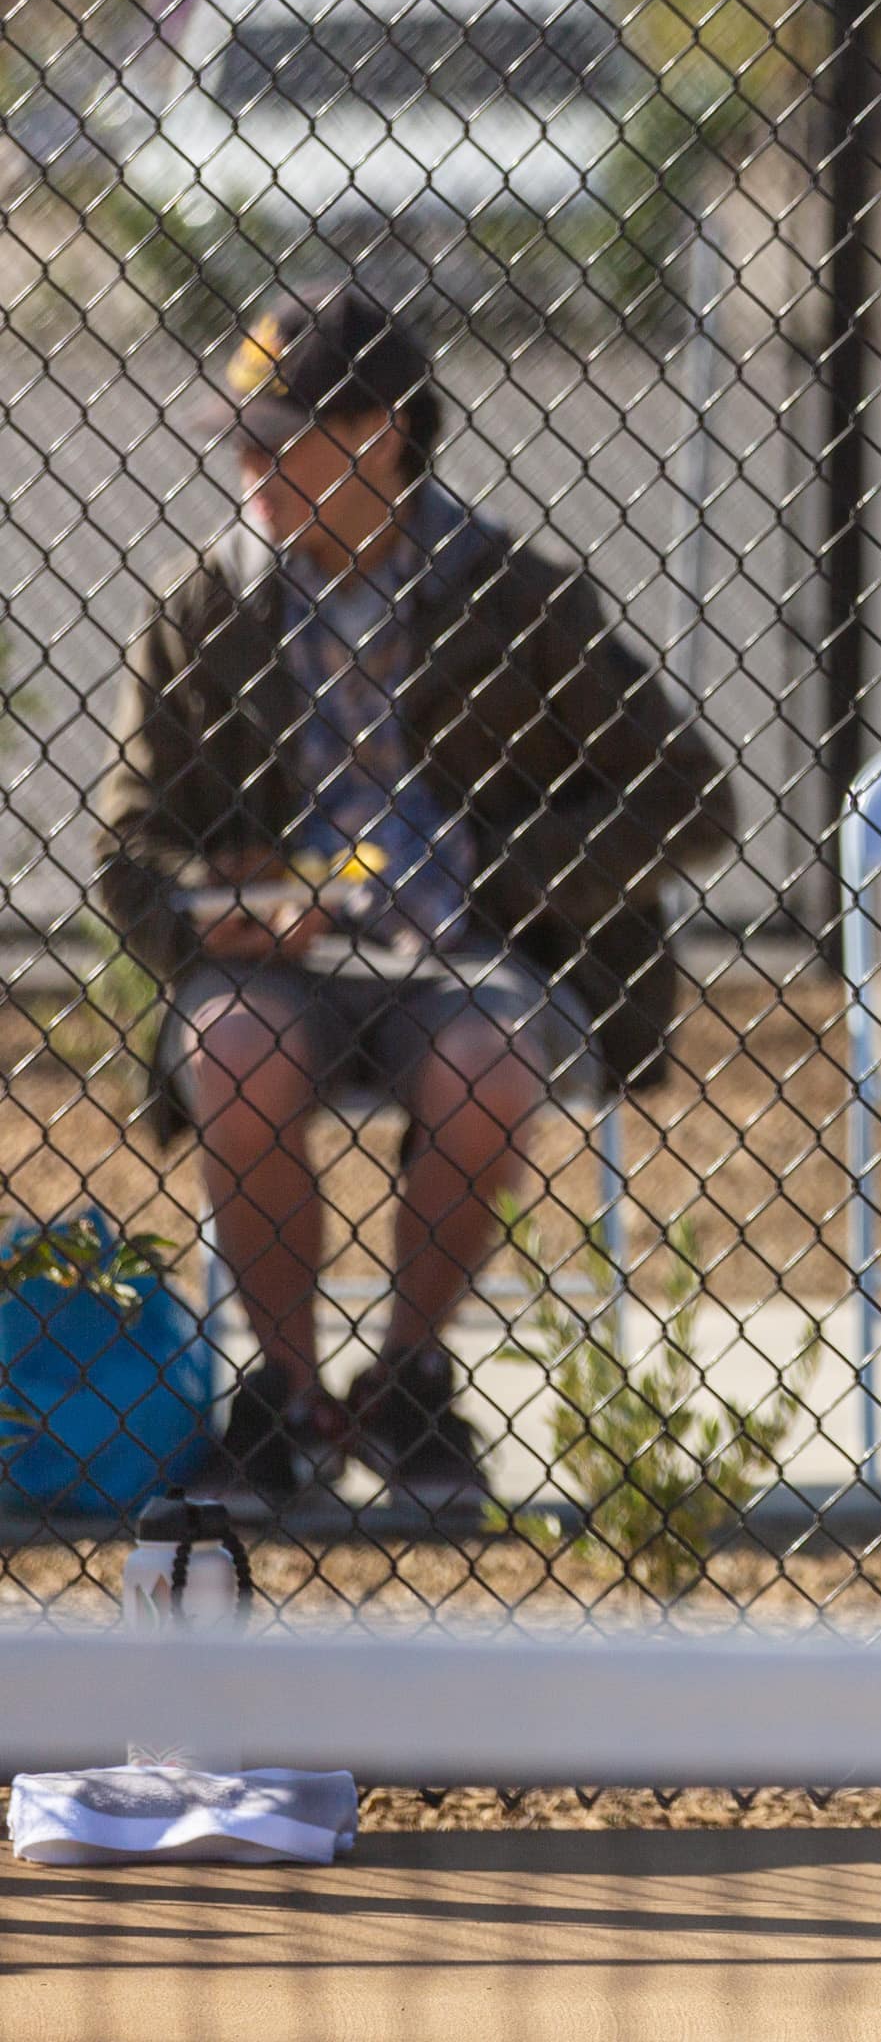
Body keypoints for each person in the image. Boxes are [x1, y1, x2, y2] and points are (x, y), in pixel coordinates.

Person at [95, 289, 738, 1516]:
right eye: (241, 434)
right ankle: (281, 1397)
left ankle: (405, 1378)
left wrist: (492, 870)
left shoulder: (514, 595)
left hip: (466, 953)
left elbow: (689, 798)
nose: (248, 464)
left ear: (383, 435)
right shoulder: (207, 601)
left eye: (279, 435)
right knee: (233, 1043)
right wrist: (204, 913)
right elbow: (129, 836)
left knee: (490, 1059)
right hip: (276, 963)